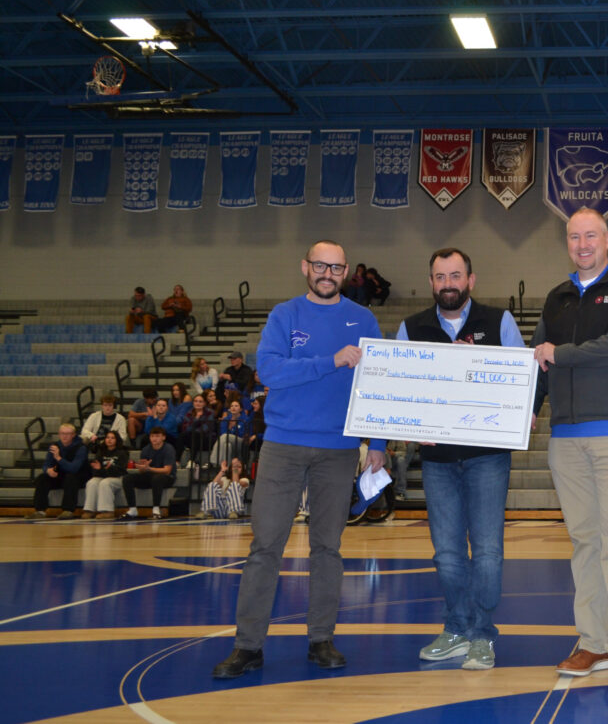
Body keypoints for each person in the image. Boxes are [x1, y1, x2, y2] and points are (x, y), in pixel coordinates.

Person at [212, 240, 386, 679]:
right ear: (305, 267)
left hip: (339, 449)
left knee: (327, 548)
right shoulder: (284, 315)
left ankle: (321, 639)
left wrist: (379, 443)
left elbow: (379, 383)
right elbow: (270, 371)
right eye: (320, 266)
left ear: (346, 271)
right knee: (265, 547)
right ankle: (248, 645)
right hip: (283, 445)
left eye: (336, 267)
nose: (328, 273)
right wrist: (330, 361)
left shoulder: (363, 319)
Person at [531, 207, 608, 689]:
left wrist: (561, 354)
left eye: (590, 236)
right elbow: (538, 363)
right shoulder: (557, 298)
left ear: (607, 239)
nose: (582, 244)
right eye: (574, 237)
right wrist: (524, 409)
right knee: (586, 543)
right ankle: (593, 642)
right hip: (566, 437)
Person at [395, 247, 524, 671]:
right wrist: (407, 422)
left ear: (471, 279)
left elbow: (522, 380)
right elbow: (397, 388)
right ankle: (456, 629)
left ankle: (482, 635)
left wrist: (518, 415)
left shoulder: (499, 321)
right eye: (440, 276)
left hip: (488, 457)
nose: (448, 283)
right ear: (431, 282)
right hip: (437, 461)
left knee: (486, 552)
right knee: (447, 554)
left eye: (455, 275)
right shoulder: (411, 328)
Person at [25, 423, 89, 519]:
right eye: (62, 433)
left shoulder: (81, 448)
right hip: (61, 475)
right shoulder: (55, 446)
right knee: (42, 478)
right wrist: (48, 470)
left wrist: (58, 458)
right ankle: (40, 511)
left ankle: (68, 510)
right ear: (59, 434)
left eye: (67, 434)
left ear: (73, 435)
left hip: (79, 476)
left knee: (70, 478)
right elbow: (46, 464)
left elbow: (73, 469)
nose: (64, 436)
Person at [120, 426, 176, 520]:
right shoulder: (146, 449)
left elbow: (167, 470)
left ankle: (156, 509)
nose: (154, 438)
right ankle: (132, 509)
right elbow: (142, 471)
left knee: (157, 478)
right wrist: (142, 467)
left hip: (167, 477)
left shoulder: (168, 449)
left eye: (157, 436)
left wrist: (149, 468)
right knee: (127, 478)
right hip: (150, 475)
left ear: (163, 437)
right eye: (152, 436)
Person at [81, 431, 129, 520]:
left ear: (117, 440)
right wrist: (100, 469)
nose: (109, 440)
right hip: (103, 475)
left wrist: (107, 469)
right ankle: (90, 510)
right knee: (92, 482)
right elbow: (97, 470)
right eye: (107, 437)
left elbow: (121, 470)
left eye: (112, 438)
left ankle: (107, 511)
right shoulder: (101, 452)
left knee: (105, 483)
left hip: (118, 478)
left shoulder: (122, 452)